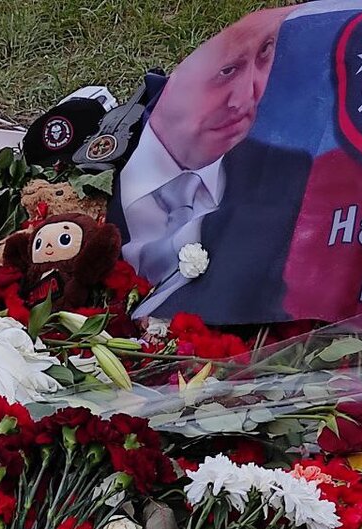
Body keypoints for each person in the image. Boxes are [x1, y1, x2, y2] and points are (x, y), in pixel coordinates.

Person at [110, 7, 313, 321]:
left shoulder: (296, 175)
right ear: (179, 75)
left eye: (264, 54)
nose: (246, 100)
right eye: (227, 71)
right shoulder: (98, 166)